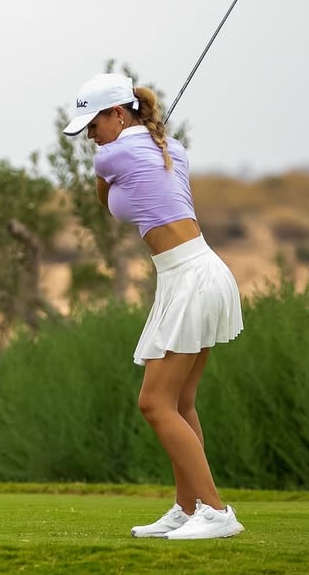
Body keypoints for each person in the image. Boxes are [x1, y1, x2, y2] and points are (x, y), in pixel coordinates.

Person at [62, 72, 245, 540]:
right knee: (180, 402)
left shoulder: (113, 154)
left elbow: (105, 199)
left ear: (117, 114)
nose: (91, 136)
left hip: (191, 277)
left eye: (94, 125)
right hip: (194, 272)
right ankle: (187, 507)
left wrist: (113, 160)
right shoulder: (171, 148)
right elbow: (117, 201)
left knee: (154, 402)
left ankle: (216, 512)